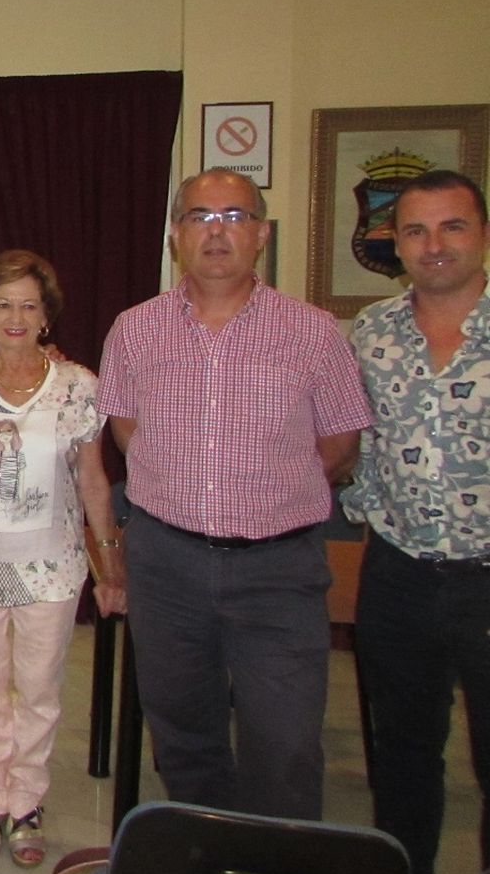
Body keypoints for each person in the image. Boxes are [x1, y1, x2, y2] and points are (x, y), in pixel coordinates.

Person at [98, 168, 372, 820]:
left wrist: (268, 491)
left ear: (261, 233)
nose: (215, 232)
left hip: (278, 571)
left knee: (285, 746)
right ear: (175, 237)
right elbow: (127, 427)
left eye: (233, 216)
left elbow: (339, 443)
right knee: (184, 738)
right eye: (198, 216)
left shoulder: (313, 332)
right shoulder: (134, 330)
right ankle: (210, 872)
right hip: (167, 565)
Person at [0, 249, 126, 868]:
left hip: (50, 566)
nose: (16, 316)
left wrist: (110, 567)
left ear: (46, 316)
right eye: (3, 305)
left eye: (29, 304)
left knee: (40, 691)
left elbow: (94, 481)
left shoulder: (78, 386)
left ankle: (28, 804)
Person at [343, 168, 490, 874]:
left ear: (483, 234)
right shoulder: (373, 332)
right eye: (415, 230)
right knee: (401, 759)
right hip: (398, 573)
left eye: (452, 227)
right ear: (395, 243)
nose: (433, 246)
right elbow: (354, 442)